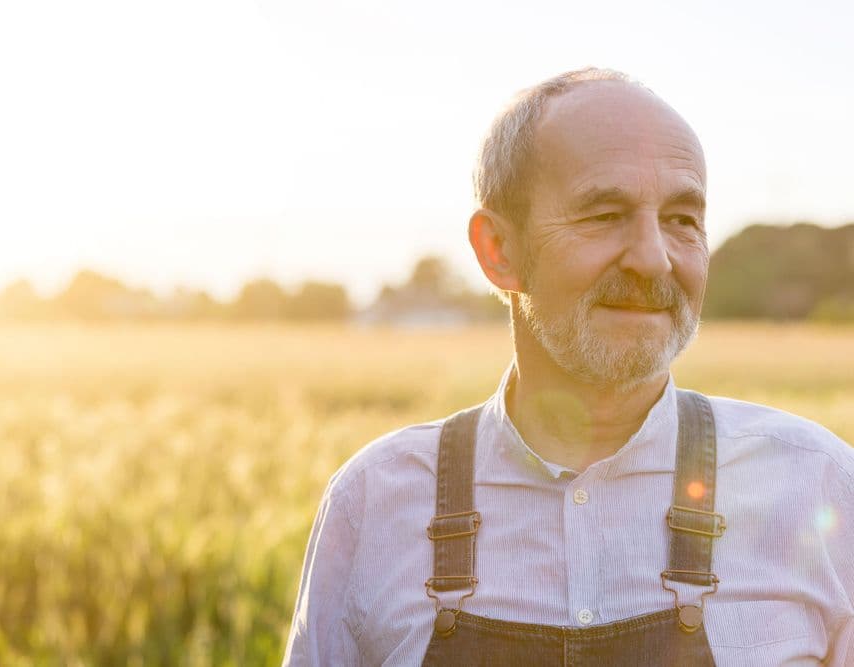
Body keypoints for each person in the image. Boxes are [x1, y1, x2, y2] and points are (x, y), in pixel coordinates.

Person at [283, 68, 854, 665]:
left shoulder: (820, 485)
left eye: (682, 219)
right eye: (605, 215)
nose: (654, 259)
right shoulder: (372, 503)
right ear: (500, 251)